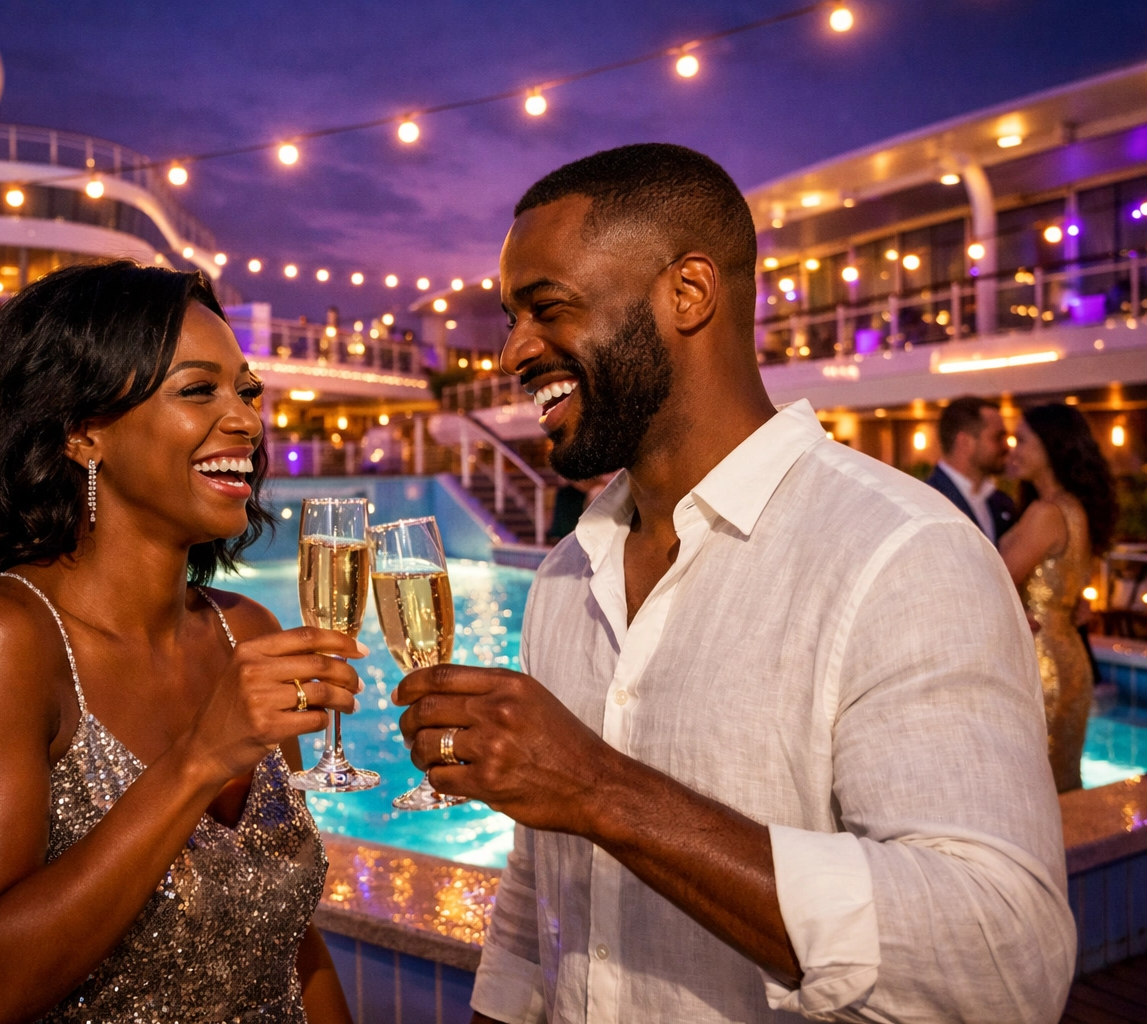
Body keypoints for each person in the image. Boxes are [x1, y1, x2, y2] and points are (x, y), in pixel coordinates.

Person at [395, 144, 1074, 1023]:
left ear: (688, 293)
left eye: (546, 307)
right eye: (508, 315)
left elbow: (1003, 960)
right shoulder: (568, 575)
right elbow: (541, 893)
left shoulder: (902, 554)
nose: (514, 349)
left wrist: (604, 792)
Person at [0, 261, 356, 1024]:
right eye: (197, 389)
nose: (247, 419)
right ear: (84, 432)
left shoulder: (243, 630)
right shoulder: (1, 641)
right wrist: (203, 757)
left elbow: (282, 935)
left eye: (246, 390)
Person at [1000, 403, 1118, 793]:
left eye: (1022, 440)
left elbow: (994, 579)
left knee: (1037, 786)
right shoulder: (1074, 507)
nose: (1012, 449)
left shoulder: (1046, 513)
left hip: (1042, 661)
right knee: (1061, 777)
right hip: (1069, 657)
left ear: (1051, 447)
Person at [927, 395, 1017, 543]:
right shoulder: (929, 500)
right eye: (997, 438)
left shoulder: (1002, 502)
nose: (1007, 446)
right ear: (965, 442)